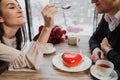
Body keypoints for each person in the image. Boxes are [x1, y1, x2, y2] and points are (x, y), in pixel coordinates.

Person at [0, 0, 58, 73]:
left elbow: (18, 62)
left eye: (19, 7)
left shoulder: (13, 38)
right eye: (12, 7)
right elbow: (30, 61)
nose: (20, 10)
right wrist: (47, 27)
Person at [89, 0, 120, 72]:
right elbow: (94, 38)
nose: (92, 1)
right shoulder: (107, 17)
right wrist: (95, 49)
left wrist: (108, 50)